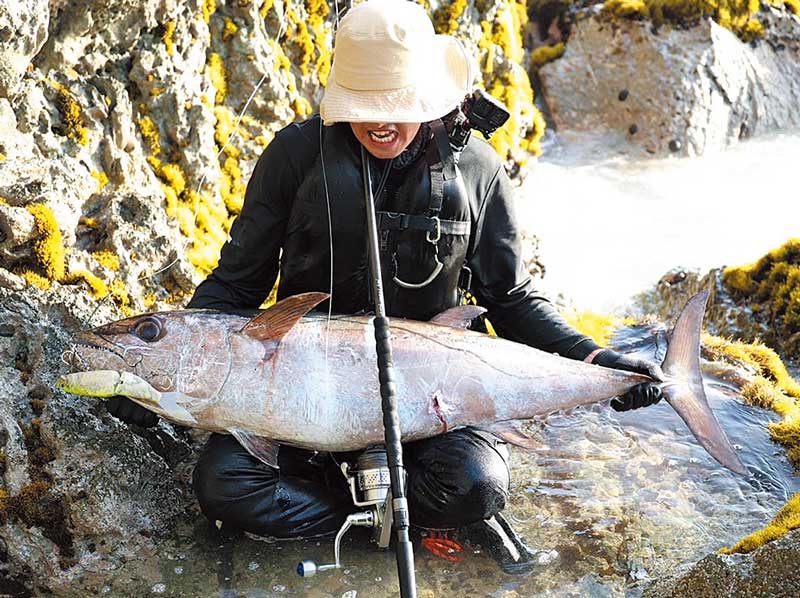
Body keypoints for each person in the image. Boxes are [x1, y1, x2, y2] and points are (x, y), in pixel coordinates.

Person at [106, 0, 663, 573]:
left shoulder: (477, 168)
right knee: (224, 483)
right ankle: (362, 522)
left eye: (400, 106)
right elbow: (236, 283)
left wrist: (598, 360)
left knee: (477, 485)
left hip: (427, 405)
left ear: (432, 96)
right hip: (297, 399)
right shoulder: (295, 157)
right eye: (367, 106)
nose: (382, 123)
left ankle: (367, 509)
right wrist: (154, 370)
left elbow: (511, 298)